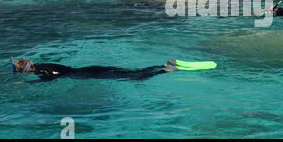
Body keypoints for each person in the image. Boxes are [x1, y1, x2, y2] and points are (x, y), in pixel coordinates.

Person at [11, 57, 178, 83]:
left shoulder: (41, 72)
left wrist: (27, 84)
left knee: (133, 78)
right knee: (130, 72)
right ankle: (162, 65)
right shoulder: (42, 64)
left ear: (26, 70)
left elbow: (48, 80)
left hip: (85, 74)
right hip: (90, 68)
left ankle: (164, 71)